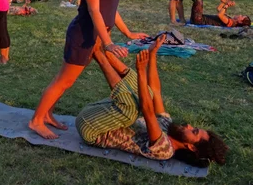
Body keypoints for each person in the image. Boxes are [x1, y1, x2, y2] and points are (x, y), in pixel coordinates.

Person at [29, 0, 148, 139]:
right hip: (83, 35)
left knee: (65, 80)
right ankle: (36, 120)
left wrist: (128, 32)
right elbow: (94, 10)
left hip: (94, 35)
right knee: (65, 79)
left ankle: (46, 114)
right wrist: (109, 43)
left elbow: (110, 8)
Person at [77, 36, 228, 166]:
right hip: (98, 115)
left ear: (191, 147)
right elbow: (155, 91)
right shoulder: (168, 126)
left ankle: (96, 52)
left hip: (92, 130)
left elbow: (148, 110)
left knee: (131, 109)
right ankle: (106, 52)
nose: (188, 125)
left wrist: (142, 71)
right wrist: (153, 53)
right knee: (147, 92)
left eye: (193, 131)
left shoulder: (165, 150)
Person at [184, 0, 250, 28]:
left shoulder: (231, 23)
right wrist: (226, 0)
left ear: (240, 22)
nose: (240, 15)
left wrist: (226, 6)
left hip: (198, 20)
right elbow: (219, 9)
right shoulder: (229, 19)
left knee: (198, 0)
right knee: (198, 0)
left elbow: (220, 15)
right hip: (199, 18)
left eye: (242, 16)